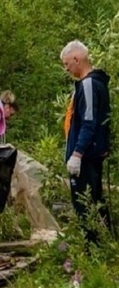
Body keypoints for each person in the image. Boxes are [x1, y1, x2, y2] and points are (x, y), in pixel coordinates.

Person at [61, 40, 111, 243]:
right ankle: (106, 246)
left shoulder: (89, 84)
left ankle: (93, 251)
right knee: (95, 201)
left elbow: (89, 121)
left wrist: (77, 154)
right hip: (91, 154)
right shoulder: (92, 84)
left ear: (76, 58)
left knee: (84, 204)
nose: (67, 69)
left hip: (86, 156)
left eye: (67, 64)